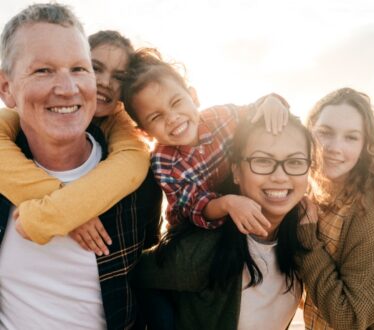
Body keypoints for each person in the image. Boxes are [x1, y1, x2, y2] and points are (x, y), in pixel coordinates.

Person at [0, 3, 161, 329]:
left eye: (78, 69)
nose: (68, 87)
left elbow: (152, 278)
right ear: (7, 88)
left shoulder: (141, 180)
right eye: (43, 70)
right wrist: (63, 205)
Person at [134, 113, 312, 330]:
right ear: (236, 172)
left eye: (295, 162)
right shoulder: (206, 249)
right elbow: (138, 273)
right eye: (262, 161)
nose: (280, 176)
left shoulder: (305, 234)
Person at [0, 29, 162, 254]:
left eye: (119, 77)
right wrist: (67, 212)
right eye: (95, 68)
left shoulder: (123, 127)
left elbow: (131, 163)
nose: (106, 82)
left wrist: (56, 213)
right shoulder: (27, 113)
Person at [122, 48, 289, 237]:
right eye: (156, 117)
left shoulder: (220, 116)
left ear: (193, 97)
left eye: (176, 102)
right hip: (194, 229)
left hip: (240, 201)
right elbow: (195, 206)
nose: (172, 118)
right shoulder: (163, 161)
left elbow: (255, 110)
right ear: (145, 133)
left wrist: (272, 101)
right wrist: (228, 203)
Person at [297, 87, 374, 329]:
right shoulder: (314, 195)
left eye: (351, 137)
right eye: (325, 133)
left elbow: (351, 318)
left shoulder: (372, 209)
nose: (334, 147)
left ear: (365, 146)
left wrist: (306, 238)